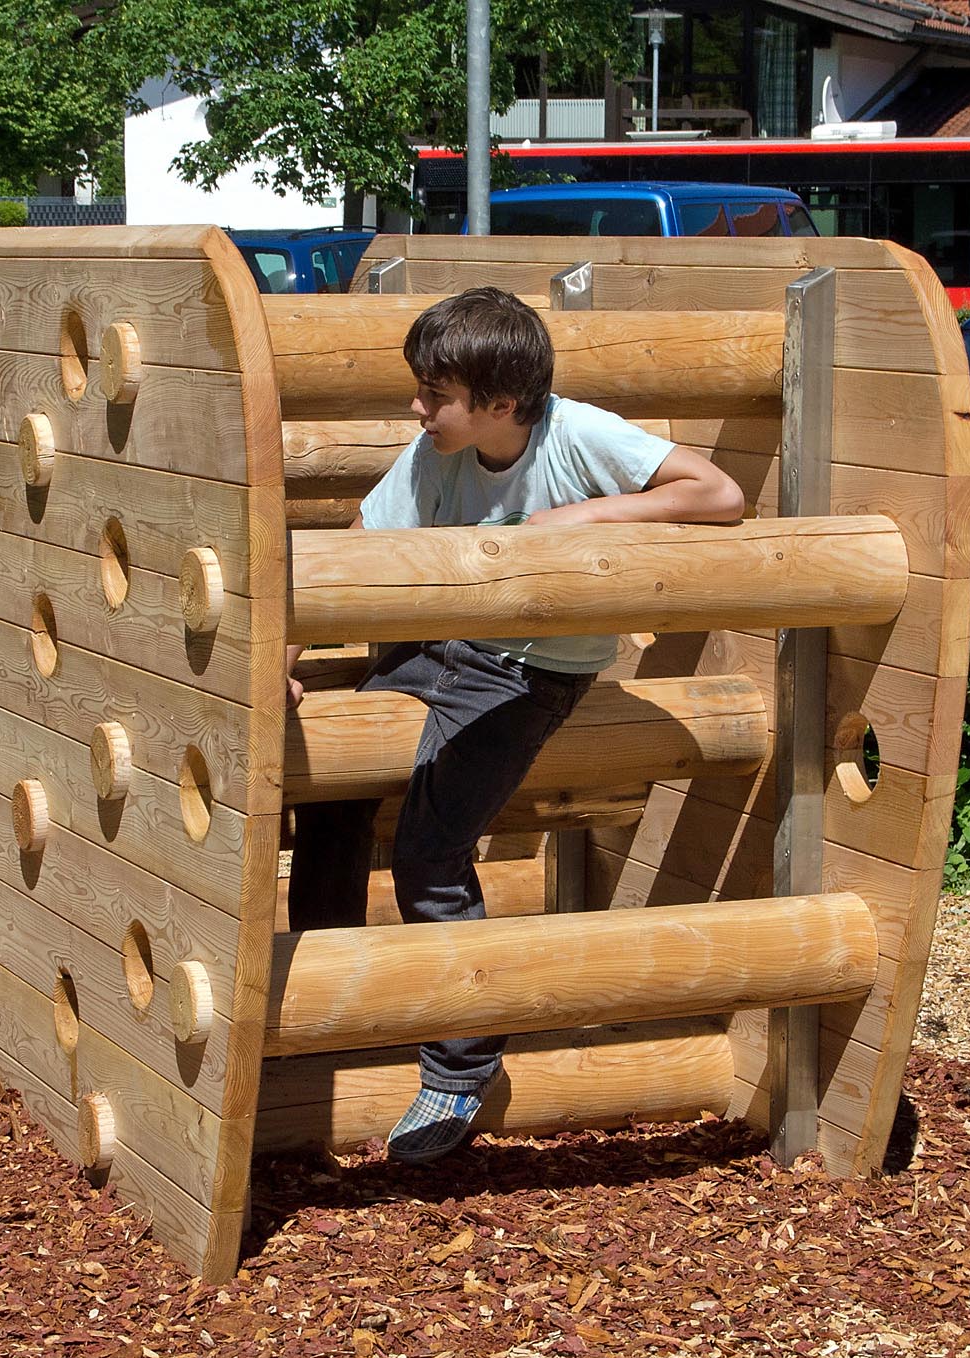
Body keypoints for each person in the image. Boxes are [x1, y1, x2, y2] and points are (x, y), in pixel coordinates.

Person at [285, 287, 744, 1166]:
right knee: (331, 799)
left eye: (435, 394)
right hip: (435, 645)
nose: (418, 409)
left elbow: (714, 491)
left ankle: (460, 1069)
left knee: (430, 850)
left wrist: (581, 516)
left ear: (500, 403)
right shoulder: (433, 452)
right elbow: (358, 540)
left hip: (529, 671)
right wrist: (288, 656)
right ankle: (329, 1005)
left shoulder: (579, 435)